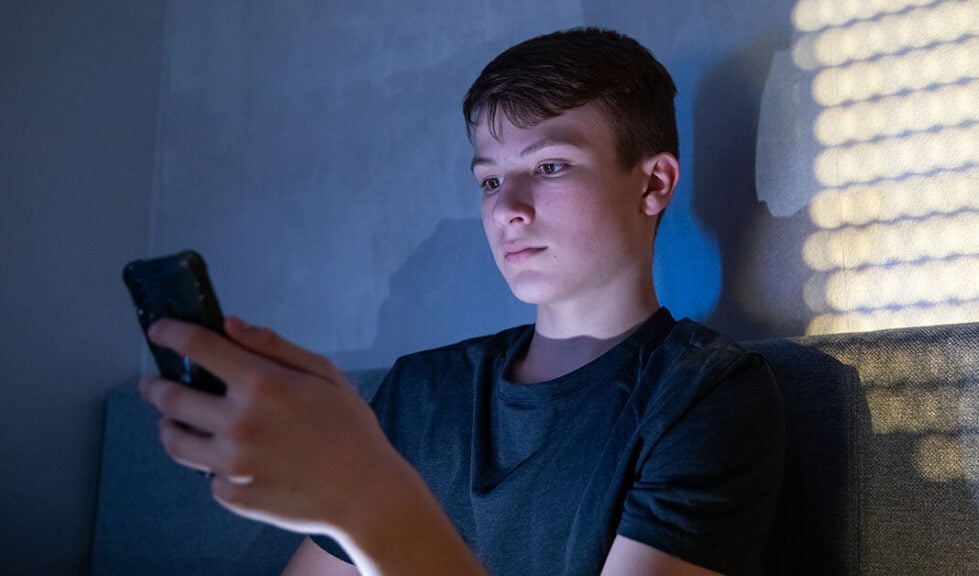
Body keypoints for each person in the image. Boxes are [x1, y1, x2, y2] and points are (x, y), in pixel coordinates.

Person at [139, 27, 785, 575]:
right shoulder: (423, 391)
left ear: (653, 184)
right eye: (491, 179)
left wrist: (369, 498)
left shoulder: (706, 398)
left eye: (550, 166)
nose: (508, 208)